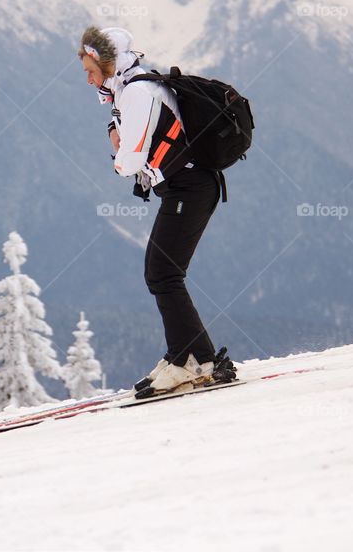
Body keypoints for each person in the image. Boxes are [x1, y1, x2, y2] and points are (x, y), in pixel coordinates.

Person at [78, 26, 235, 395]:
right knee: (163, 273)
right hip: (186, 187)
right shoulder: (129, 90)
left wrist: (116, 149)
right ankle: (197, 358)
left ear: (107, 63)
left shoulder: (138, 92)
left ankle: (185, 362)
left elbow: (130, 159)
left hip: (190, 187)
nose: (87, 79)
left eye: (90, 70)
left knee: (162, 273)